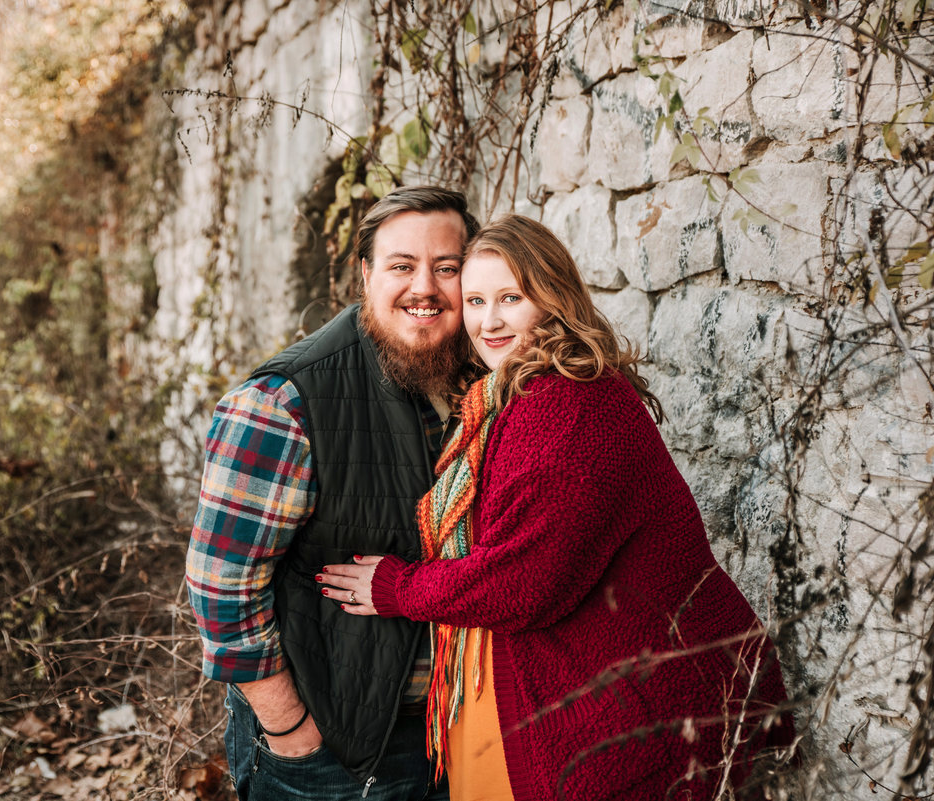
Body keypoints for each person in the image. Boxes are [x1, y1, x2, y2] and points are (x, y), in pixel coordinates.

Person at [318, 214, 795, 800]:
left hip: (638, 709)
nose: (488, 321)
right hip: (618, 690)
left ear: (551, 299)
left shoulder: (565, 406)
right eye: (474, 300)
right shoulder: (518, 393)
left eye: (510, 298)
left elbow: (526, 581)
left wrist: (397, 589)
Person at [186, 186, 481, 799]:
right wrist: (291, 728)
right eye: (402, 266)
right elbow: (221, 586)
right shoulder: (282, 405)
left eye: (446, 268)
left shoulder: (481, 384)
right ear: (367, 274)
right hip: (332, 752)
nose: (424, 287)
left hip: (457, 730)